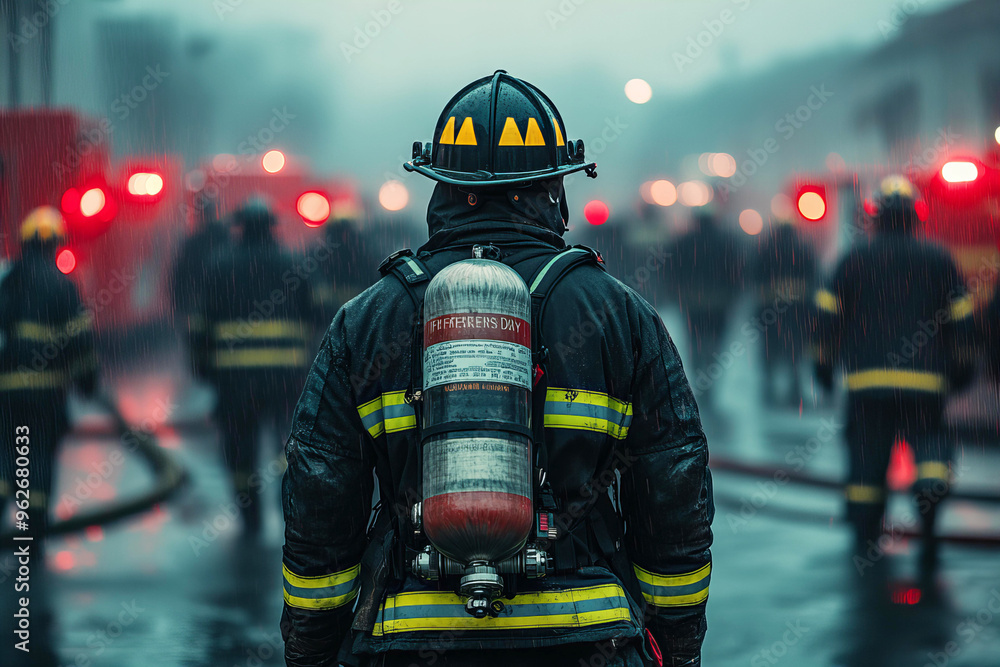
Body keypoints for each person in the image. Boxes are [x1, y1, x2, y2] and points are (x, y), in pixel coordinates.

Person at [281, 71, 714, 667]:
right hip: (589, 640)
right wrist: (680, 643)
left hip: (408, 644)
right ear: (552, 187)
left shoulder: (369, 318)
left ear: (440, 184)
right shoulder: (618, 313)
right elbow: (674, 485)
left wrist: (311, 652)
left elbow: (320, 497)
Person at [811, 175, 975, 572]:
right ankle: (930, 518)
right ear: (916, 217)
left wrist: (823, 366)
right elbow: (963, 320)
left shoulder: (852, 259)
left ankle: (866, 541)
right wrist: (962, 367)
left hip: (868, 385)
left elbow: (827, 319)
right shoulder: (939, 259)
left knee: (867, 464)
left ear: (876, 217)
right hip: (926, 385)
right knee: (932, 450)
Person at [197, 199, 314, 533]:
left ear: (240, 227)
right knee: (289, 447)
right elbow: (315, 316)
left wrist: (204, 369)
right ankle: (290, 512)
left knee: (240, 450)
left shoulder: (219, 267)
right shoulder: (294, 264)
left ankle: (250, 518)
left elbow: (199, 326)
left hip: (234, 382)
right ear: (271, 227)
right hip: (286, 379)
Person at [0, 206, 98, 547]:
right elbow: (80, 342)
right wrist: (88, 383)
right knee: (38, 457)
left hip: (6, 396)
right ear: (56, 243)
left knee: (7, 455)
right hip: (46, 395)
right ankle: (34, 531)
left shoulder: (6, 281)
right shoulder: (62, 286)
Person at [665, 207, 744, 407]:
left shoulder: (684, 242)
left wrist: (677, 293)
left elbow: (672, 270)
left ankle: (701, 376)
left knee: (695, 342)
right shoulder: (726, 241)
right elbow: (736, 271)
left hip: (693, 303)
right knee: (715, 344)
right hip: (719, 304)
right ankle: (710, 379)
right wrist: (733, 296)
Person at [750, 215, 818, 407]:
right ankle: (795, 389)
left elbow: (755, 278)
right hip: (797, 311)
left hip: (770, 310)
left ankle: (769, 388)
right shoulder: (803, 248)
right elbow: (814, 278)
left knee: (769, 350)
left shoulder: (766, 249)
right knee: (795, 350)